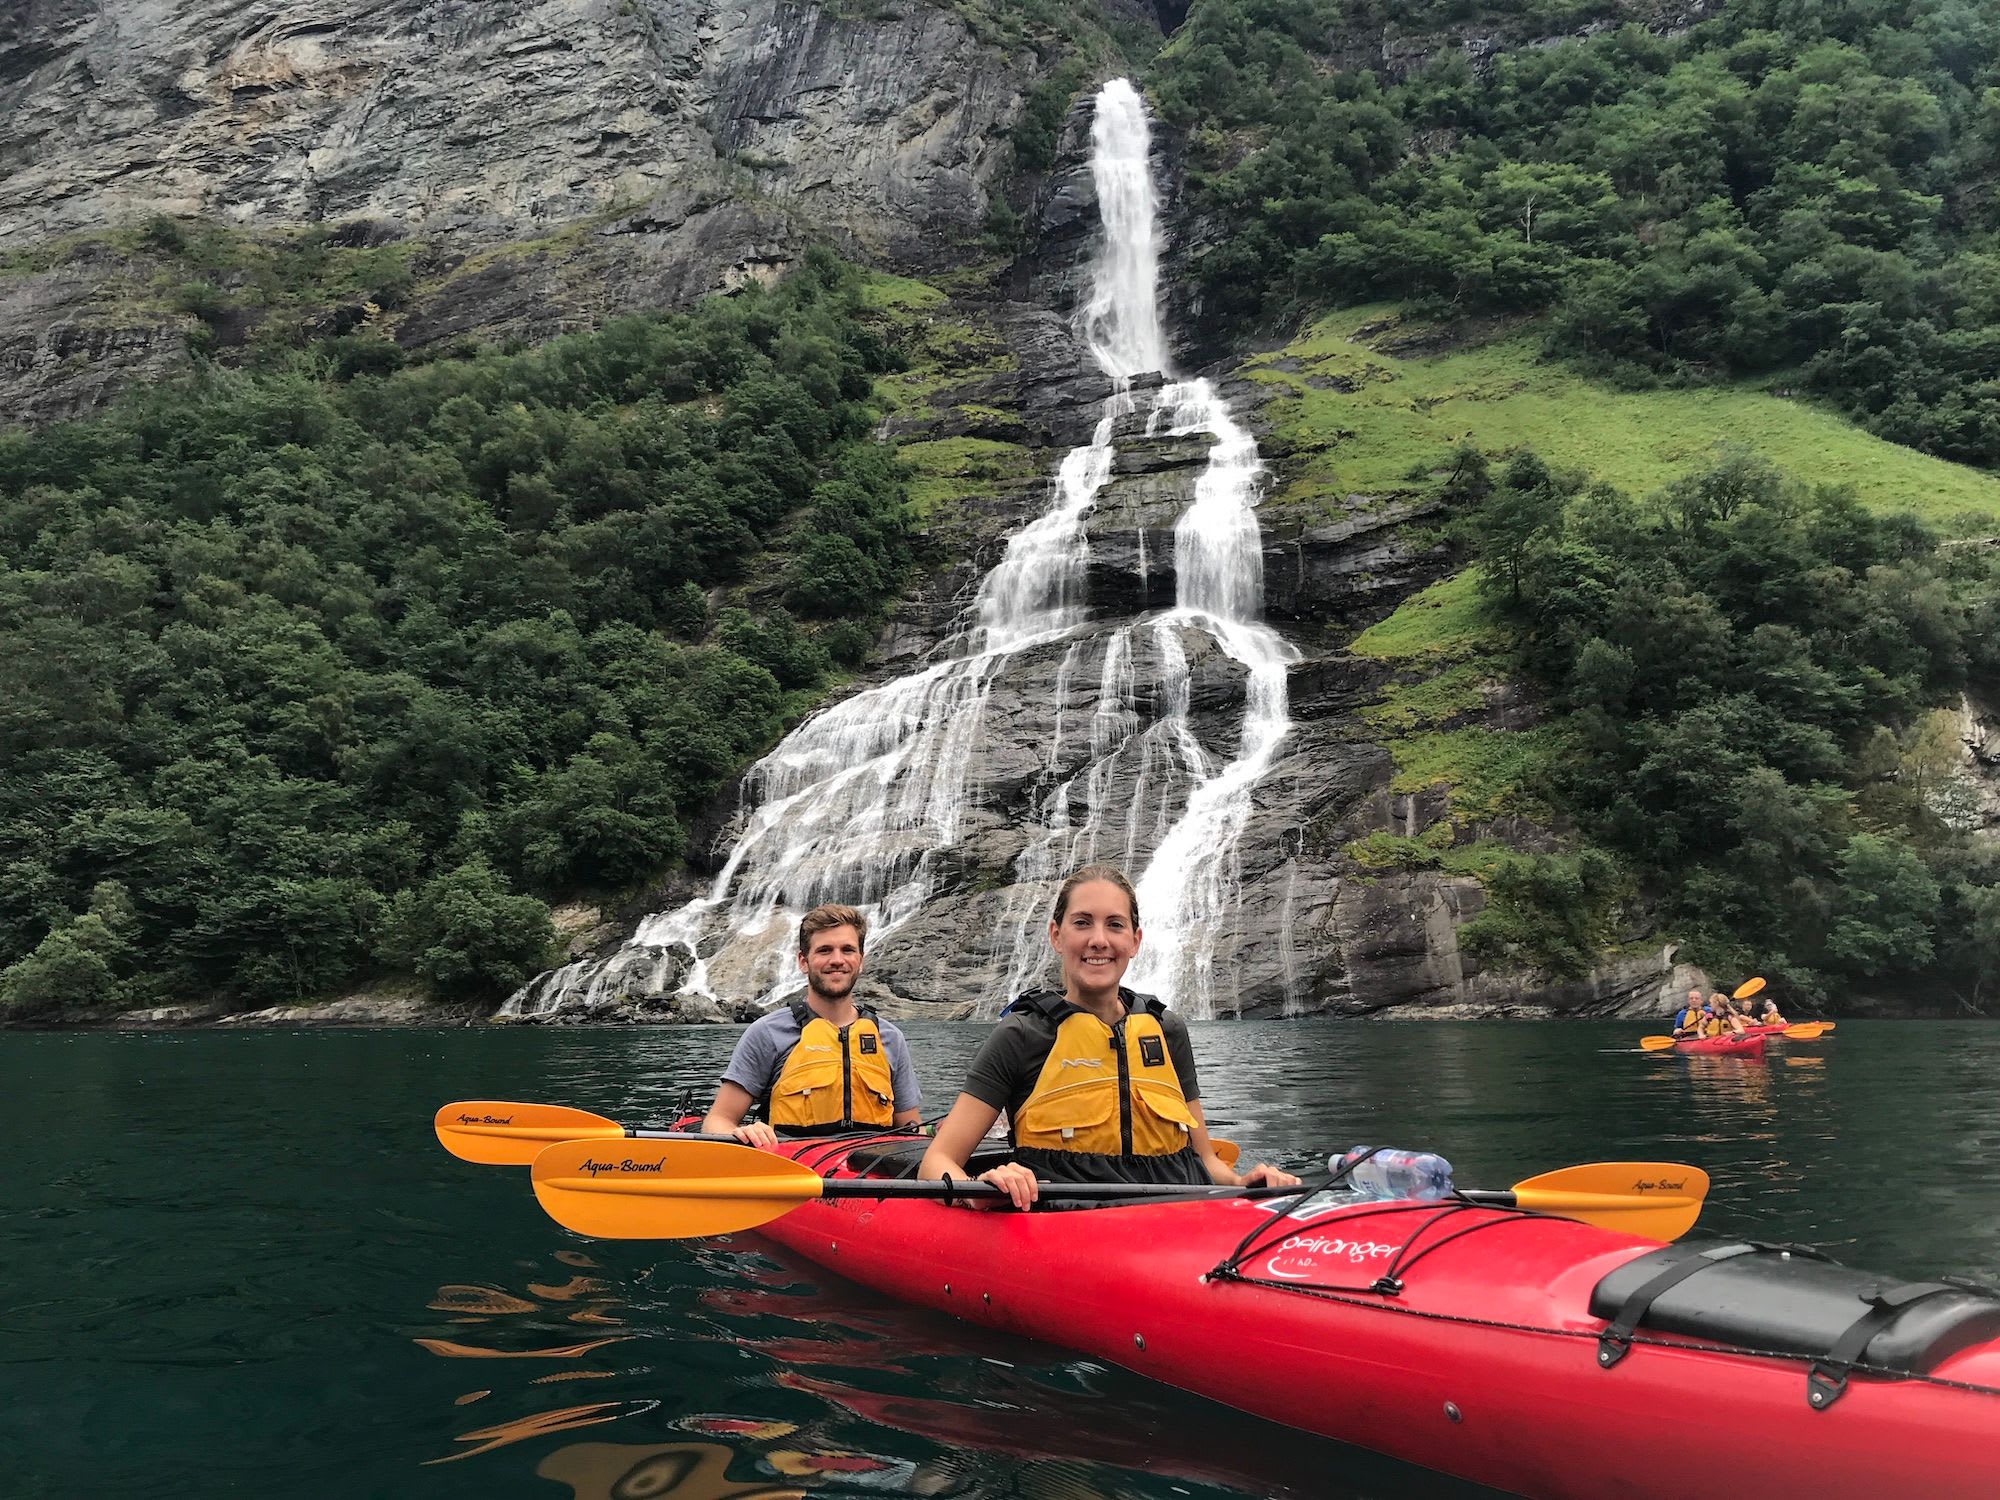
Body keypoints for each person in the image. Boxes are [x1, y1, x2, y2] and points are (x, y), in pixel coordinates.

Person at [919, 864, 1301, 1209]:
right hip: (1070, 1229)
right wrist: (978, 1189)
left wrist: (1242, 1182)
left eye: (1114, 925)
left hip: (1182, 1220)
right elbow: (936, 1163)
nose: (1099, 940)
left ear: (1135, 941)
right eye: (1082, 922)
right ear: (1056, 935)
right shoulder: (1021, 1034)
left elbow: (1205, 1160)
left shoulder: (1167, 1030)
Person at [700, 903, 922, 1147]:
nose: (837, 960)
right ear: (803, 961)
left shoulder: (890, 1038)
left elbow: (911, 1131)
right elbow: (717, 1122)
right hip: (791, 1173)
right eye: (824, 951)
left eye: (847, 950)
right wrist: (744, 1133)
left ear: (860, 961)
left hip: (869, 1174)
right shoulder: (767, 1033)